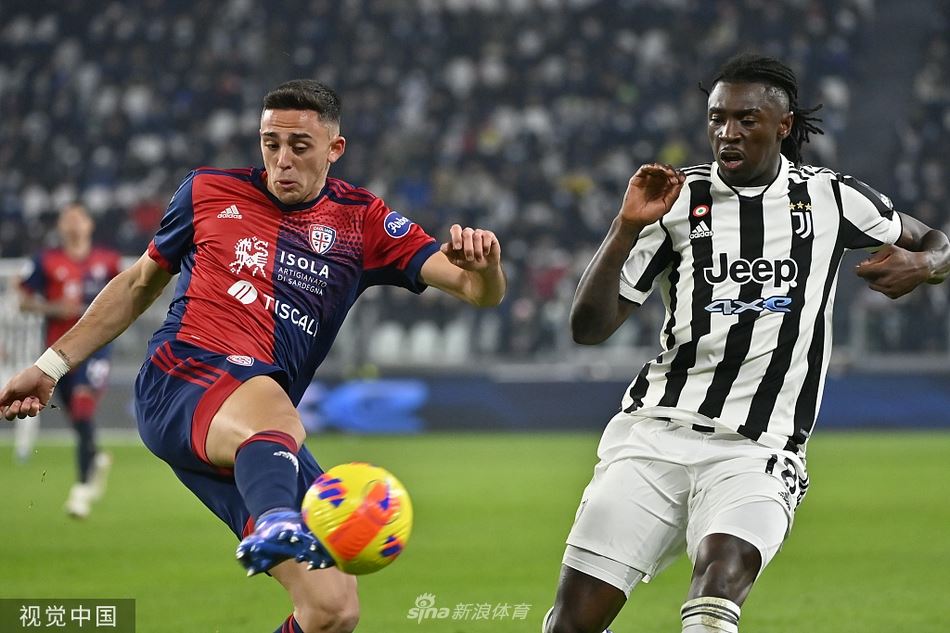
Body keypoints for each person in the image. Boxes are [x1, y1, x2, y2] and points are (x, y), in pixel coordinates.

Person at [1, 79, 506, 633]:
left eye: (300, 146)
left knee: (332, 609)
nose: (282, 160)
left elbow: (475, 291)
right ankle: (276, 520)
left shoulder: (362, 220)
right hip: (182, 377)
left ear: (334, 149)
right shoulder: (206, 191)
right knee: (277, 418)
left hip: (257, 438)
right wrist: (50, 366)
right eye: (271, 144)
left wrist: (486, 269)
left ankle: (275, 517)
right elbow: (139, 283)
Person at [543, 53, 949, 633]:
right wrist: (625, 226)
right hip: (653, 435)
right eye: (717, 118)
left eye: (745, 119)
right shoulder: (676, 203)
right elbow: (588, 329)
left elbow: (936, 240)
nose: (726, 133)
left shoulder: (831, 198)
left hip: (758, 450)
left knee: (717, 591)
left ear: (783, 126)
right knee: (571, 624)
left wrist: (923, 265)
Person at [18, 203, 121, 518]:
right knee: (78, 419)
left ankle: (81, 492)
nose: (74, 224)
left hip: (96, 349)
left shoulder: (108, 261)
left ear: (89, 225)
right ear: (61, 227)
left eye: (79, 218)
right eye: (68, 219)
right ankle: (95, 457)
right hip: (58, 353)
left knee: (82, 404)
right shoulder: (46, 261)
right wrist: (53, 308)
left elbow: (126, 296)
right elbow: (23, 300)